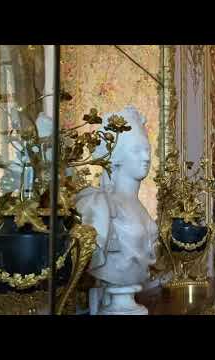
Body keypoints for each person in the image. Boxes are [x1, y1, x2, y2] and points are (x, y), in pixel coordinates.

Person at [76, 105, 157, 314]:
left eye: (147, 149)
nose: (146, 157)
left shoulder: (140, 208)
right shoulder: (99, 204)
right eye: (137, 150)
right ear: (117, 156)